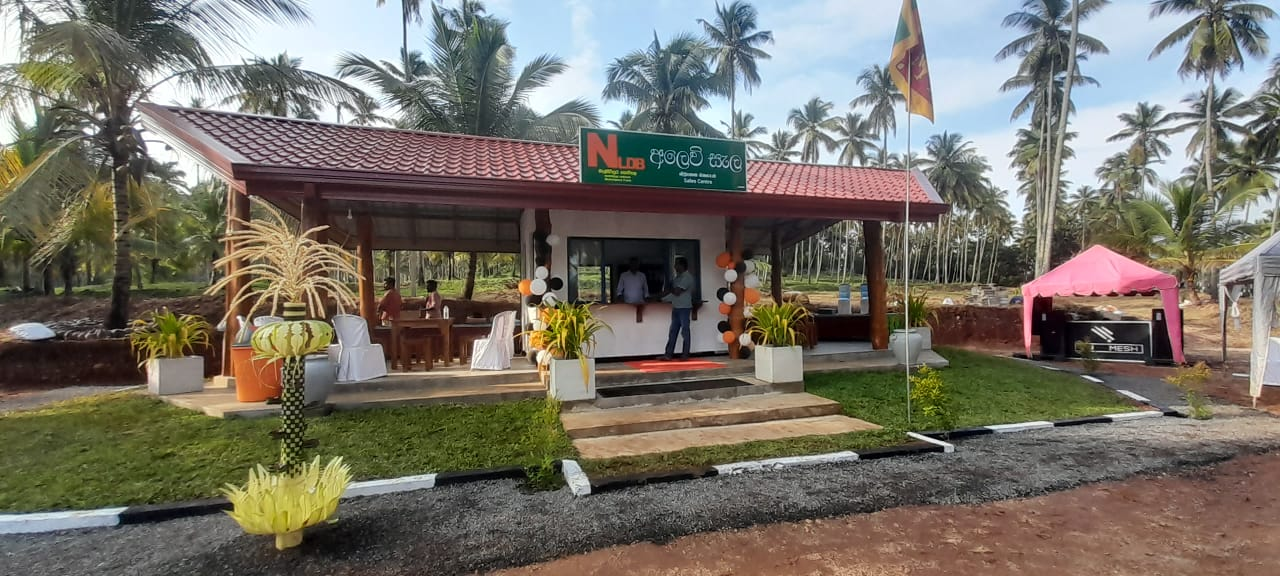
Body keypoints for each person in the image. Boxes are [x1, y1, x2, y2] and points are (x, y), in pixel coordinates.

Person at [661, 257, 695, 361]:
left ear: (682, 265)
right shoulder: (677, 278)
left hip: (684, 308)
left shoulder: (687, 277)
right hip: (676, 307)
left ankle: (685, 355)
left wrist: (669, 289)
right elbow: (672, 293)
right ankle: (668, 354)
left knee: (685, 331)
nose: (675, 266)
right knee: (673, 332)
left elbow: (677, 292)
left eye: (676, 264)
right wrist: (662, 298)